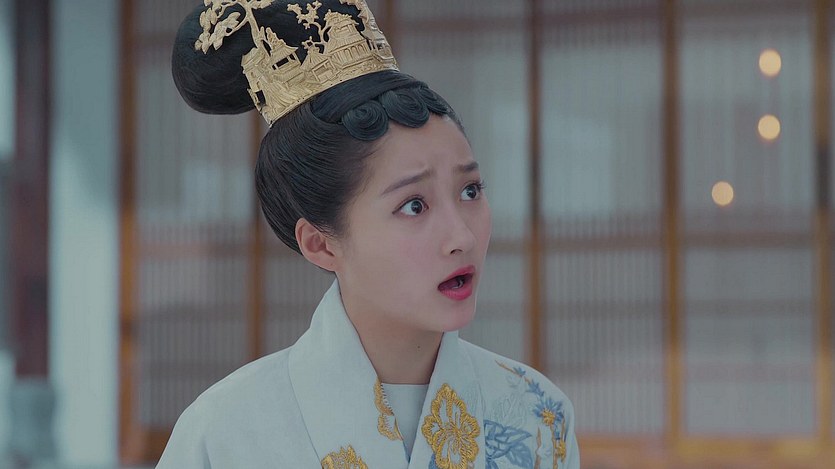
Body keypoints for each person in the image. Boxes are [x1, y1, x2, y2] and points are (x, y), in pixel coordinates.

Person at [158, 1, 579, 468]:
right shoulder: (225, 434)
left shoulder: (539, 416)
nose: (462, 236)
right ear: (320, 243)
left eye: (470, 190)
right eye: (414, 205)